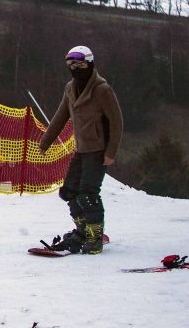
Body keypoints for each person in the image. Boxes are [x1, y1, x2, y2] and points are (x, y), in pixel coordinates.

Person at [38, 45, 124, 255]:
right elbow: (61, 116)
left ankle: (94, 238)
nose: (75, 68)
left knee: (88, 194)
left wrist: (111, 152)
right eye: (71, 64)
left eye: (80, 64)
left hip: (98, 150)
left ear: (90, 64)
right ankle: (83, 231)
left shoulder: (102, 89)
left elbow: (117, 121)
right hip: (81, 149)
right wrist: (45, 142)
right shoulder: (70, 88)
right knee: (69, 192)